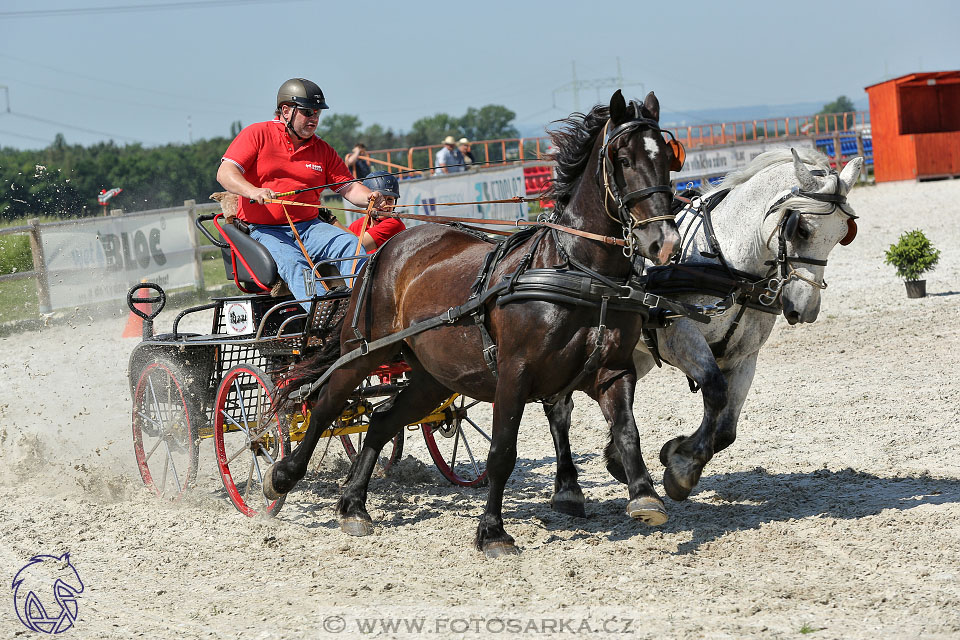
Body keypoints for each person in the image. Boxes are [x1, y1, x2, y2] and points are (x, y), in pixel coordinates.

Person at [216, 77, 386, 305]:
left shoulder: (322, 149)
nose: (314, 118)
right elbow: (225, 173)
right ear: (286, 111)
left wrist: (368, 197)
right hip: (266, 231)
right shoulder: (257, 134)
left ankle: (365, 308)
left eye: (317, 113)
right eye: (307, 112)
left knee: (350, 245)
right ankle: (322, 314)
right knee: (295, 263)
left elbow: (348, 186)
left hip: (310, 227)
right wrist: (253, 191)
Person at [345, 172, 407, 253]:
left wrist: (332, 220)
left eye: (389, 200)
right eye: (379, 199)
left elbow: (354, 247)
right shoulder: (356, 225)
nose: (384, 204)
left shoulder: (394, 224)